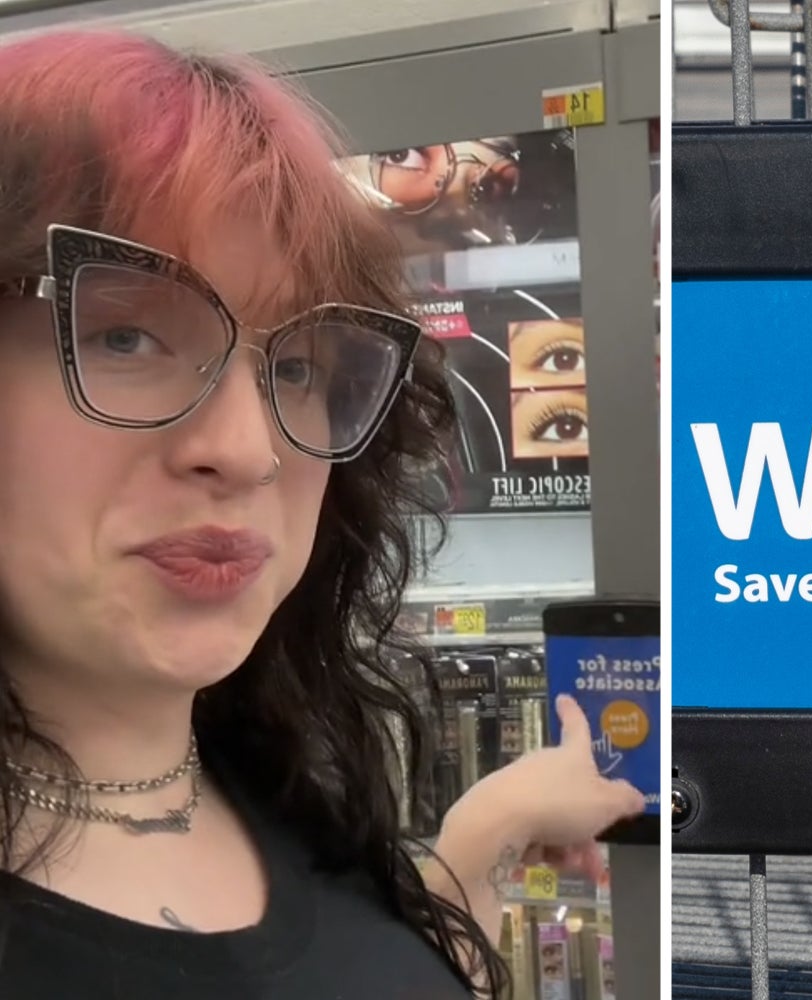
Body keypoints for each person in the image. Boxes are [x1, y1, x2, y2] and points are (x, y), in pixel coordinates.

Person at [0, 29, 645, 998]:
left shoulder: (289, 793)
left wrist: (479, 842)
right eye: (125, 336)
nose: (249, 449)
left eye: (299, 366)